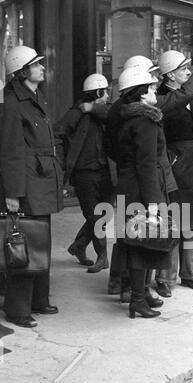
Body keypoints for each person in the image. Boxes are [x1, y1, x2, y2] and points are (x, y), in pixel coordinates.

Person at [83, 54, 193, 301]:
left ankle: (126, 287)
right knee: (146, 234)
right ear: (139, 87)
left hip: (143, 176)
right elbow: (146, 160)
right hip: (151, 178)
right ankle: (138, 290)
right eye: (151, 77)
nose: (155, 80)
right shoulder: (146, 112)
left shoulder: (122, 109)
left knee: (135, 234)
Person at [0, 45, 63, 328]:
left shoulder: (36, 98)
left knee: (41, 241)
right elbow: (10, 150)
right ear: (22, 71)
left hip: (41, 181)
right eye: (36, 64)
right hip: (27, 183)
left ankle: (39, 300)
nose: (41, 67)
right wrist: (13, 193)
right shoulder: (13, 103)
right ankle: (17, 308)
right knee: (23, 244)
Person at [115, 67, 178, 318]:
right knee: (143, 245)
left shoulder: (128, 119)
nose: (155, 91)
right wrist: (154, 202)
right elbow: (147, 165)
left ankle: (139, 297)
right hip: (142, 192)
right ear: (141, 94)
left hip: (128, 188)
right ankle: (138, 301)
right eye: (151, 88)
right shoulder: (146, 122)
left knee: (136, 243)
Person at [155, 50, 193, 298]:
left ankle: (190, 275)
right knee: (174, 222)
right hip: (178, 166)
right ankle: (164, 279)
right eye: (183, 69)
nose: (188, 73)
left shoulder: (189, 97)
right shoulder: (163, 98)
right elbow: (187, 93)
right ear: (170, 75)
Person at [54, 74, 115, 273]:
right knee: (95, 216)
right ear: (98, 92)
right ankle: (102, 257)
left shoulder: (107, 111)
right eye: (104, 92)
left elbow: (114, 113)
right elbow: (58, 133)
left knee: (104, 214)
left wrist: (93, 108)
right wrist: (62, 161)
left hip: (107, 171)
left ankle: (79, 245)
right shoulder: (75, 113)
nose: (107, 95)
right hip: (84, 173)